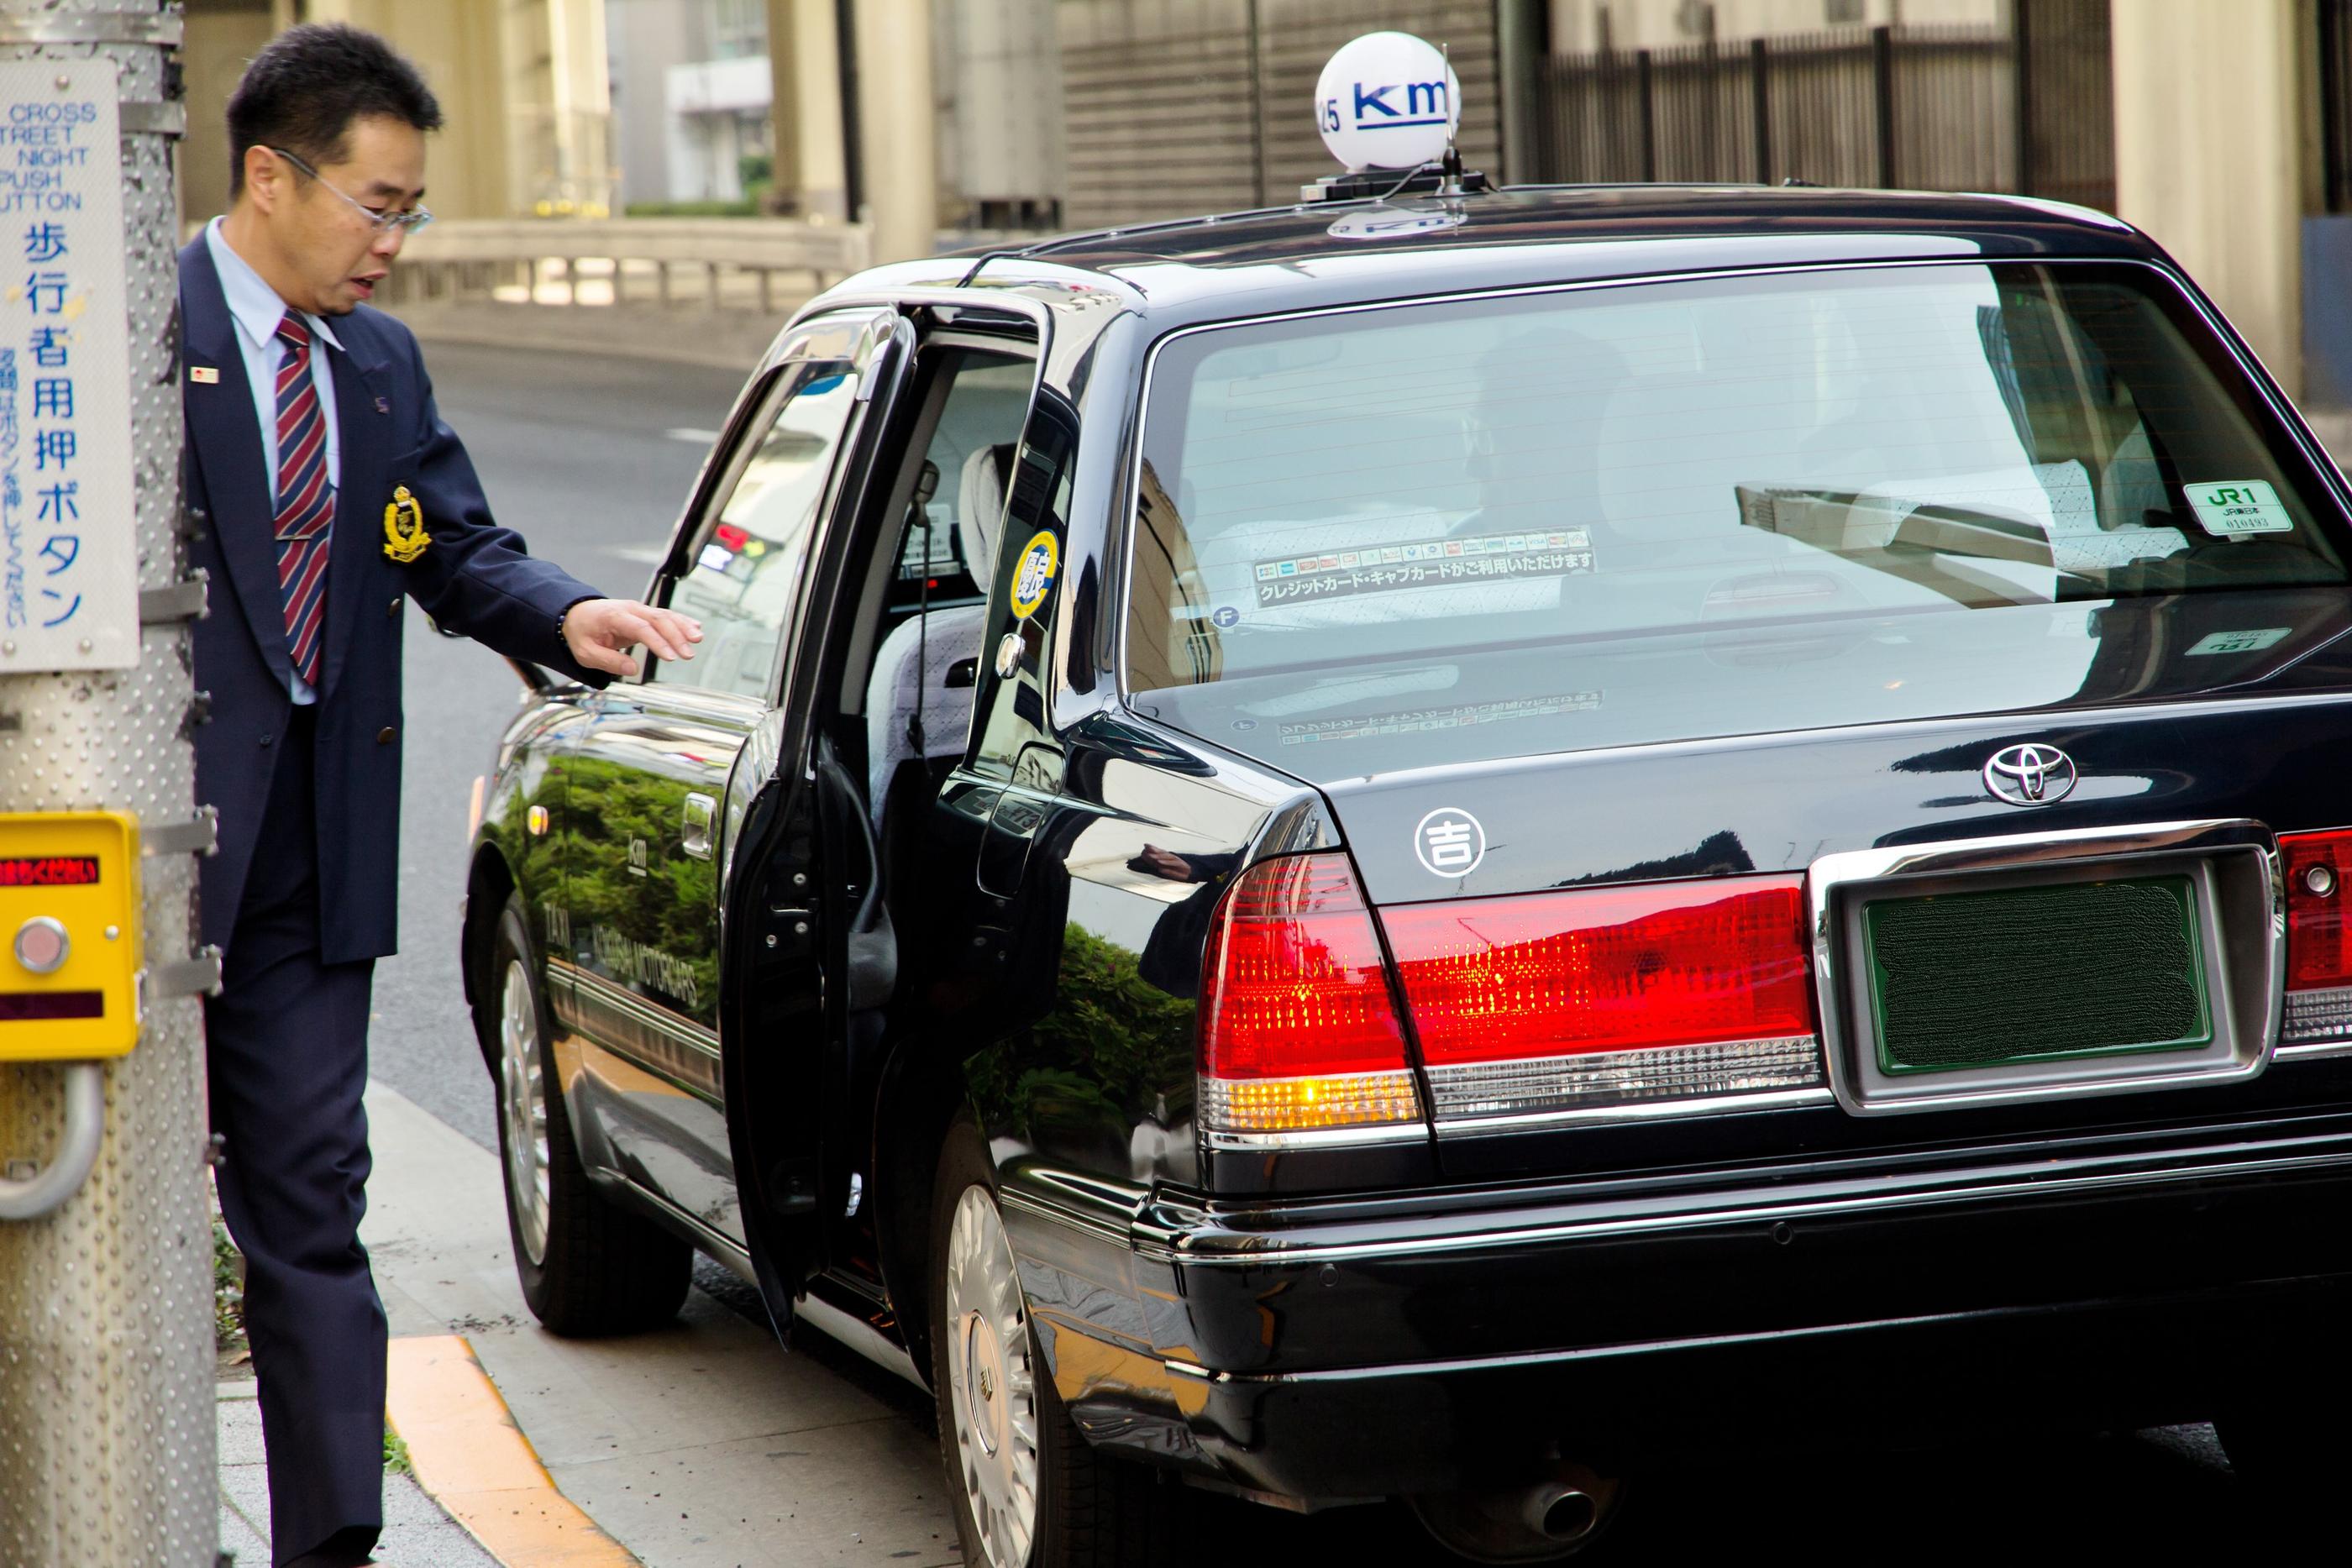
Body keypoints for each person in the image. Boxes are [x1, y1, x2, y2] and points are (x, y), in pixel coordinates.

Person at [180, 25, 700, 1567]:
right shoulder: (114, 339)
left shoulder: (377, 364)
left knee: (310, 1213)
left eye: (411, 211)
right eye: (377, 205)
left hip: (304, 876)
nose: (395, 244)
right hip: (127, 861)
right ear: (272, 176)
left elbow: (440, 540)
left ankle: (328, 1545)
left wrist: (559, 615)